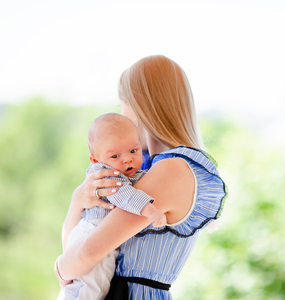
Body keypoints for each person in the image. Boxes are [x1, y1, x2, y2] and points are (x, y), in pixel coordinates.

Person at [55, 55, 227, 299]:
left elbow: (85, 255)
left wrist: (60, 269)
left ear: (139, 105)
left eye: (121, 105)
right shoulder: (145, 170)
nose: (119, 114)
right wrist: (77, 202)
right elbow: (79, 247)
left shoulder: (172, 170)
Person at [57, 113, 167, 300]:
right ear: (95, 160)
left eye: (133, 151)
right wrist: (150, 211)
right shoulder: (107, 175)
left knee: (84, 285)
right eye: (115, 155)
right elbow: (125, 195)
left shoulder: (124, 171)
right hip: (92, 232)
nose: (127, 159)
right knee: (95, 287)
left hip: (93, 233)